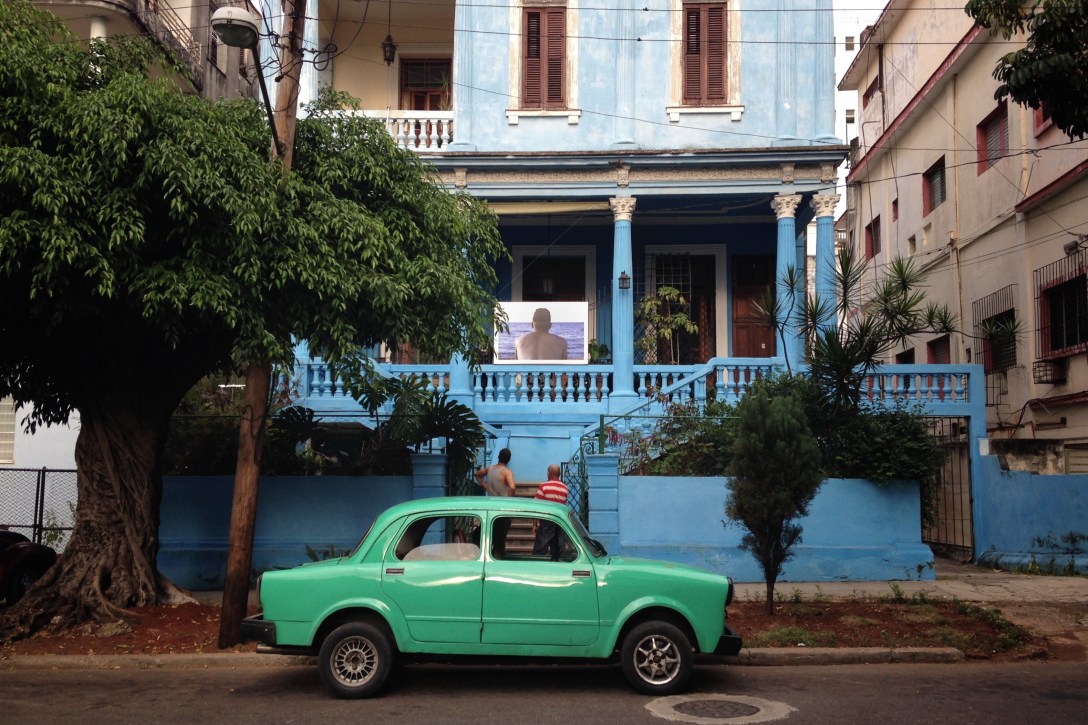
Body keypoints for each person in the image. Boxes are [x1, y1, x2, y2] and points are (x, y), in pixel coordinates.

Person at [475, 448, 516, 557]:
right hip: (502, 508)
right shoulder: (506, 472)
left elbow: (477, 474)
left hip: (491, 505)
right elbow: (512, 486)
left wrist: (486, 487)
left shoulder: (489, 469)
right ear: (509, 459)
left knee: (492, 533)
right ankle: (498, 556)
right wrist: (509, 501)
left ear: (498, 457)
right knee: (500, 537)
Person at [532, 464, 570, 560]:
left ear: (548, 474)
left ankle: (535, 567)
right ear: (559, 474)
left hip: (547, 520)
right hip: (560, 521)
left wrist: (535, 523)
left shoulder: (544, 486)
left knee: (539, 549)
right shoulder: (565, 488)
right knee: (557, 551)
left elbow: (536, 506)